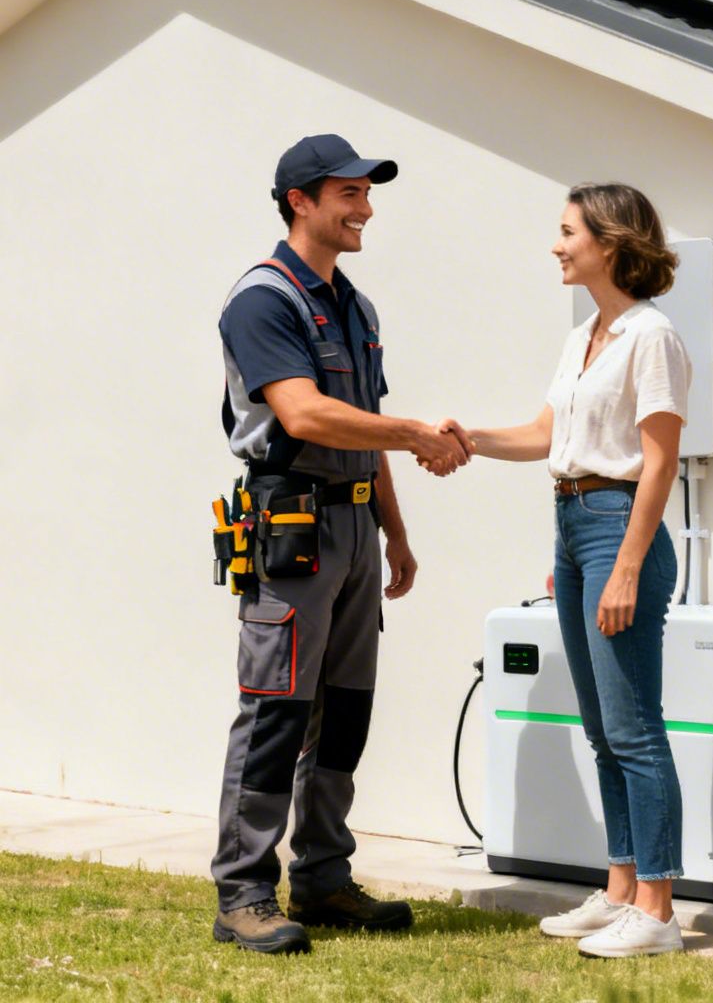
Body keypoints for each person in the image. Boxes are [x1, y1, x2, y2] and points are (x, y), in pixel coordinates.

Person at [212, 134, 474, 954]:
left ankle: (323, 879)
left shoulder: (355, 306)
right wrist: (416, 432)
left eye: (367, 194)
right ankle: (244, 893)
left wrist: (395, 533)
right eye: (349, 194)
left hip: (355, 530)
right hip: (293, 531)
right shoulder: (263, 300)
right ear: (301, 201)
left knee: (345, 716)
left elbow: (364, 432)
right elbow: (306, 415)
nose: (364, 209)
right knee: (275, 716)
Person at [468, 182, 691, 959]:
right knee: (602, 729)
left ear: (610, 241)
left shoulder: (650, 336)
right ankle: (621, 887)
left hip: (616, 528)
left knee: (634, 729)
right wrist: (466, 437)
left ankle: (659, 912)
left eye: (567, 233)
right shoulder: (585, 335)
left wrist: (627, 565)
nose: (557, 246)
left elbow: (661, 461)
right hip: (570, 525)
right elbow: (542, 433)